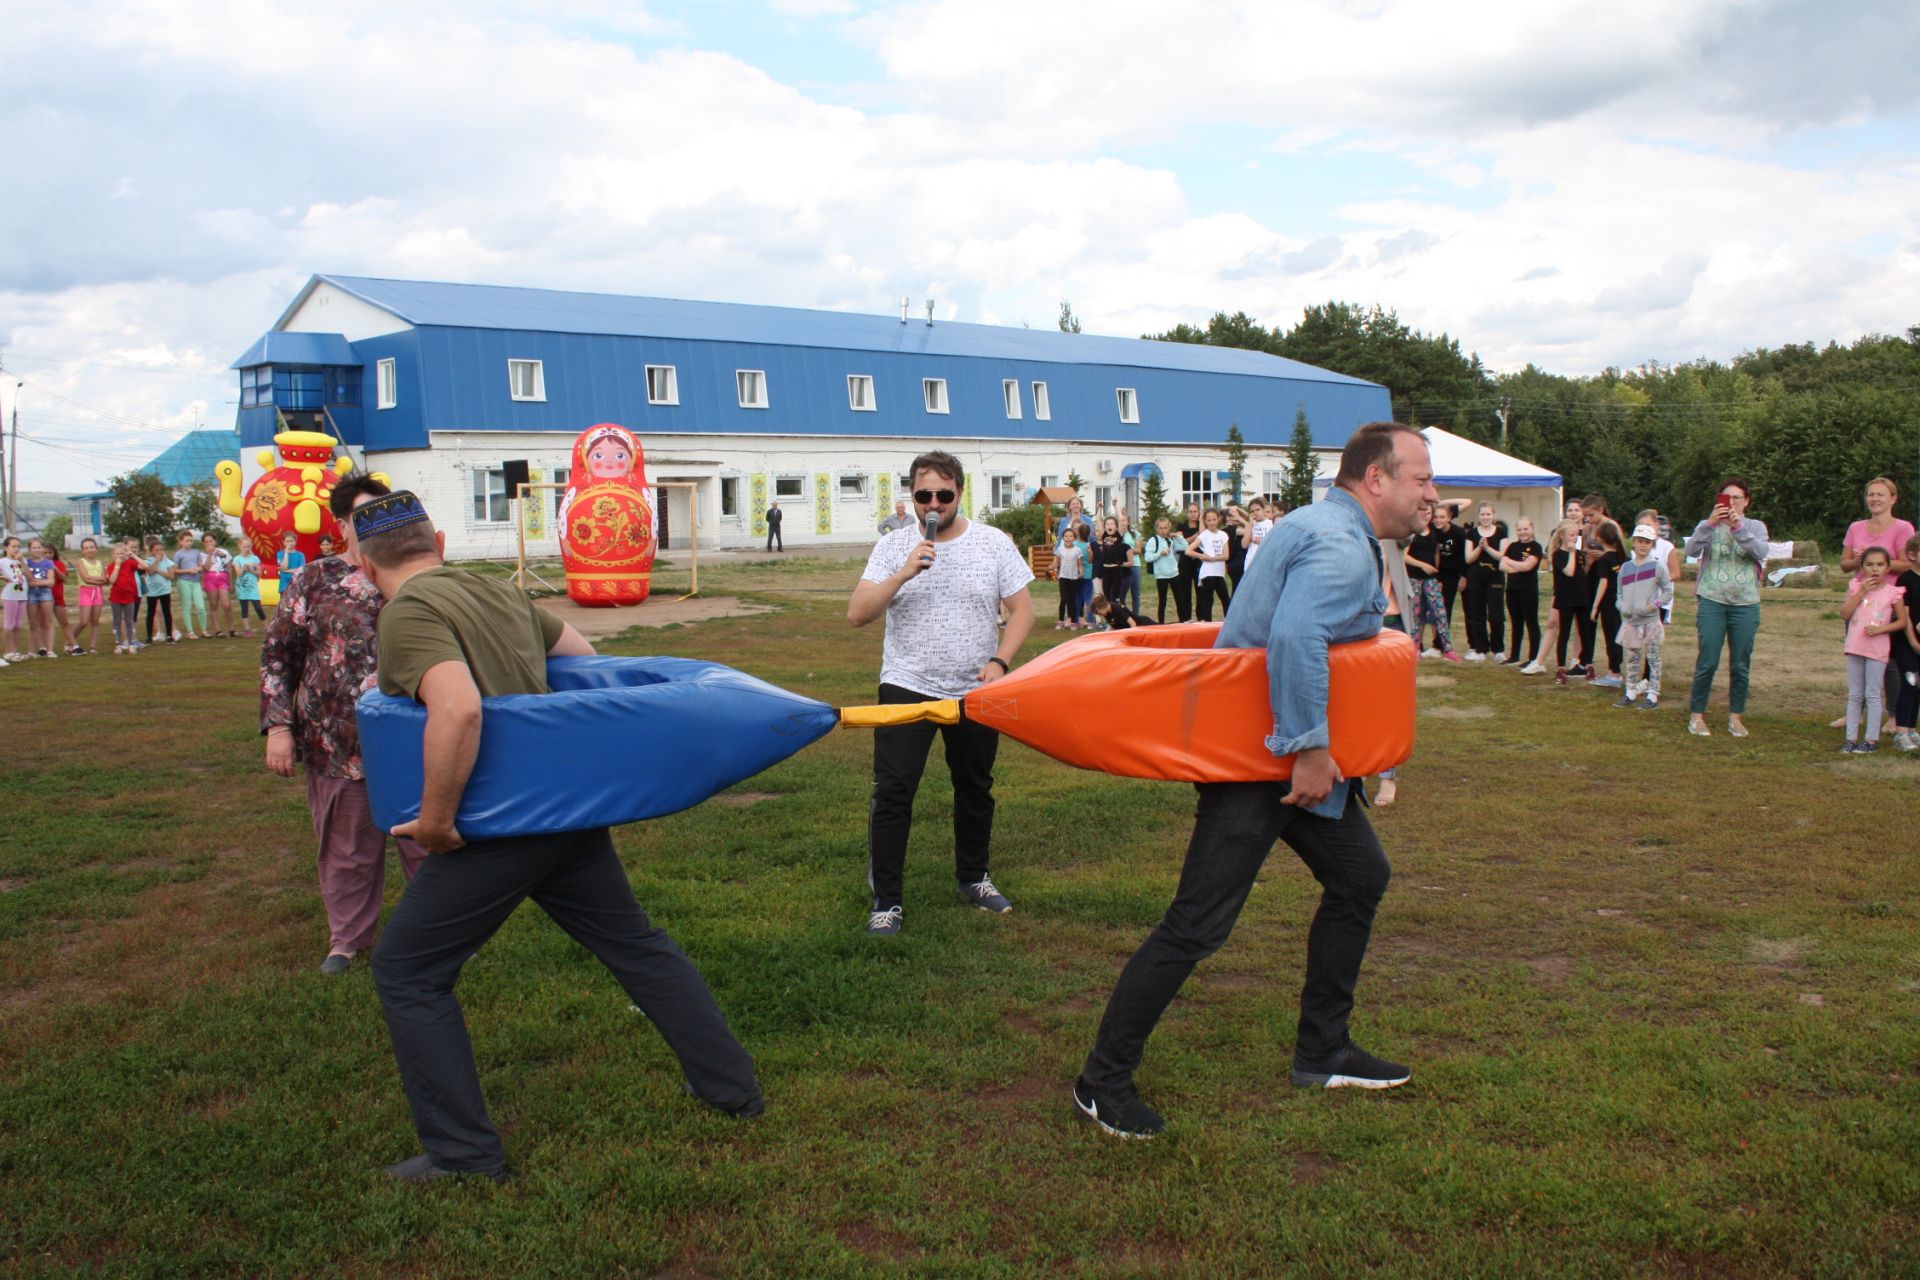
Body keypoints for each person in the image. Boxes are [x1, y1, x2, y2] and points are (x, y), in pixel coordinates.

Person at [355, 489, 764, 1184]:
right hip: (564, 814)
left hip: (502, 827)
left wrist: (435, 820)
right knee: (635, 945)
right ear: (440, 544)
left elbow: (457, 709)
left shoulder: (408, 612)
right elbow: (584, 660)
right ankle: (732, 1089)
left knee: (408, 972)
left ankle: (464, 1155)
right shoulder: (496, 592)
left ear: (364, 566)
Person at [1073, 422, 1430, 1140]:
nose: (1432, 492)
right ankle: (1100, 1083)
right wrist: (1310, 747)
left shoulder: (1322, 526)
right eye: (1422, 477)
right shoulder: (1337, 543)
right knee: (1197, 925)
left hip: (1283, 759)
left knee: (1361, 877)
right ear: (1376, 480)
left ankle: (1323, 1050)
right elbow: (1297, 639)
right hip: (1262, 765)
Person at [848, 450, 1035, 936]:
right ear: (911, 496)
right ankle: (886, 901)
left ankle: (974, 878)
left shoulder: (993, 544)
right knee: (893, 792)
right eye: (923, 495)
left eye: (943, 495)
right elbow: (858, 614)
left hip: (975, 689)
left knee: (975, 788)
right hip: (906, 685)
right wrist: (904, 572)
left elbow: (1023, 611)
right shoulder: (893, 548)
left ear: (959, 493)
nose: (934, 504)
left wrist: (1000, 663)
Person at [262, 473, 428, 974]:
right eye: (364, 516)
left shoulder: (419, 577)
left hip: (414, 740)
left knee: (426, 843)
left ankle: (434, 934)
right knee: (347, 850)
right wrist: (278, 728)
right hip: (335, 743)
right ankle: (347, 942)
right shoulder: (315, 580)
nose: (377, 525)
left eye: (386, 514)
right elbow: (278, 654)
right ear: (342, 525)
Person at [1686, 478, 1769, 738]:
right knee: (1707, 661)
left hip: (1745, 603)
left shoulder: (1755, 526)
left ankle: (1736, 717)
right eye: (1726, 498)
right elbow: (1690, 549)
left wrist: (1738, 528)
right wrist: (1710, 524)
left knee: (1740, 664)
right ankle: (1696, 716)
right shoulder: (1708, 524)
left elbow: (1761, 551)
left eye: (1737, 499)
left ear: (1747, 502)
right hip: (1712, 599)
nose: (1731, 503)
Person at [1839, 547, 1907, 754]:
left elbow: (1902, 621)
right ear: (1862, 567)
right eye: (1869, 564)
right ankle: (1850, 738)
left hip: (1877, 648)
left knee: (1873, 693)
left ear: (1887, 567)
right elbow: (1845, 613)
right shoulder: (1855, 587)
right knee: (1855, 694)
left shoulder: (1893, 592)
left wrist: (1881, 629)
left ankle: (1871, 740)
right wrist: (1861, 592)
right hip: (1855, 646)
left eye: (1879, 564)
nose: (1874, 569)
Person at [1611, 524, 1674, 709]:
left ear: (1652, 544)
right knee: (1632, 657)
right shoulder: (1625, 568)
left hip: (1651, 621)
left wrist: (1651, 606)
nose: (1643, 545)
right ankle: (1630, 692)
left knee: (1653, 657)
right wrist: (1621, 605)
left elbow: (1667, 592)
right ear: (1634, 543)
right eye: (1640, 541)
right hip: (1631, 622)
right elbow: (1620, 592)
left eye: (1647, 542)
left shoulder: (1657, 567)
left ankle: (1653, 695)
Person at [1402, 504, 1460, 661]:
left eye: (1430, 513)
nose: (1427, 516)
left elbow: (1436, 553)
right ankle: (1415, 648)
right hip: (1414, 577)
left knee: (1440, 612)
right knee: (1416, 614)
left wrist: (1436, 571)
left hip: (1431, 579)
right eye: (1424, 512)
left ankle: (1447, 648)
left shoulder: (1435, 532)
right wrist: (1422, 565)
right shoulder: (1412, 532)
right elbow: (1404, 556)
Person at [1840, 477, 1916, 583]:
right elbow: (1844, 565)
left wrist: (1873, 559)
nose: (1875, 499)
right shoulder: (1855, 527)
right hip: (1860, 593)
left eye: (1880, 495)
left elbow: (1908, 565)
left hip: (1891, 593)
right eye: (1871, 495)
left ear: (1893, 499)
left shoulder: (1903, 528)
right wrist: (1859, 561)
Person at [1461, 502, 1508, 660]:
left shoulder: (1501, 533)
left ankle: (1498, 649)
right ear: (1478, 516)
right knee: (1476, 613)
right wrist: (1479, 547)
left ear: (1493, 515)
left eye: (1488, 514)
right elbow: (1468, 558)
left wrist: (1487, 548)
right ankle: (1481, 648)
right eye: (1483, 514)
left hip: (1495, 577)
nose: (1486, 517)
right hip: (1476, 577)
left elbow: (1503, 556)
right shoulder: (1471, 534)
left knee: (1496, 614)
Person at [1547, 518, 1592, 679]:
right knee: (1564, 632)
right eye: (1571, 535)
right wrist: (1572, 553)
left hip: (1581, 598)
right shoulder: (1558, 554)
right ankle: (1561, 668)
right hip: (1566, 599)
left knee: (1584, 632)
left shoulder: (1580, 554)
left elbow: (1583, 572)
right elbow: (1570, 572)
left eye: (1576, 535)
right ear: (1562, 536)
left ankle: (1587, 664)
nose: (1574, 538)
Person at [1585, 521, 1627, 689]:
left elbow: (1603, 583)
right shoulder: (1621, 557)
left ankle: (1614, 674)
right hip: (1619, 601)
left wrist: (1595, 607)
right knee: (1616, 634)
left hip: (1608, 603)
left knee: (1611, 637)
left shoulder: (1604, 561)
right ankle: (1616, 668)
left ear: (1600, 540)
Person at [1889, 534, 1920, 752]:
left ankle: (1911, 729)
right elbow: (1905, 617)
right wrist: (1914, 642)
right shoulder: (1905, 580)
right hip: (1905, 643)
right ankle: (1900, 733)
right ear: (1912, 554)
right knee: (1909, 683)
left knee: (1918, 686)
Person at [1501, 518, 1545, 669]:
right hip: (1512, 589)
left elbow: (1528, 566)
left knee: (1531, 622)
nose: (1523, 532)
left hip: (1528, 590)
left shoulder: (1536, 547)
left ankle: (1534, 658)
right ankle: (1514, 655)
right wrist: (1517, 566)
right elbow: (1501, 565)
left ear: (1532, 528)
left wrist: (1511, 563)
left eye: (1525, 529)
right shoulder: (1512, 546)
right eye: (1519, 529)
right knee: (1516, 622)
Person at [1053, 497, 1094, 625]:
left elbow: (1092, 536)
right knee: (1067, 591)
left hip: (1080, 557)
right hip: (1065, 558)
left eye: (1077, 503)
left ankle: (1080, 616)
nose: (1075, 506)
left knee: (1079, 589)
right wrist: (1056, 556)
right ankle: (1069, 616)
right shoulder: (1064, 521)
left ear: (1081, 506)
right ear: (1069, 507)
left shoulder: (1087, 519)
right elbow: (1060, 538)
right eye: (1073, 504)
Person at [1142, 516, 1189, 623]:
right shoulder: (1153, 541)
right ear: (1157, 529)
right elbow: (1147, 558)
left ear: (1169, 528)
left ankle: (1183, 622)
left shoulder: (1170, 540)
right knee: (1163, 601)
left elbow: (1186, 547)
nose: (1163, 530)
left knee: (1179, 600)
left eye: (1165, 528)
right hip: (1161, 575)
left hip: (1174, 574)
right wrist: (1160, 553)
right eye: (1161, 528)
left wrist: (1178, 537)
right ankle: (1161, 624)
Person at [1429, 502, 1467, 634]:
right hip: (1437, 574)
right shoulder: (1432, 531)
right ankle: (1436, 642)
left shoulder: (1459, 533)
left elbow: (1465, 557)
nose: (1438, 520)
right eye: (1436, 517)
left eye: (1442, 517)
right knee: (1434, 608)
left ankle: (1443, 642)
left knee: (1446, 607)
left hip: (1453, 574)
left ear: (1449, 518)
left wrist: (1463, 577)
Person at [1189, 509, 1231, 622]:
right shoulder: (1204, 535)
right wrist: (1202, 556)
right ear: (1205, 521)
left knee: (1226, 599)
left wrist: (1213, 558)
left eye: (1214, 519)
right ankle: (1207, 624)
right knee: (1208, 600)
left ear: (1218, 519)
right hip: (1207, 573)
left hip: (1219, 572)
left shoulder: (1223, 535)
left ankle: (1229, 622)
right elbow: (1188, 550)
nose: (1212, 522)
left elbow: (1226, 555)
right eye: (1209, 520)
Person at [107, 540, 144, 653]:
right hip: (116, 597)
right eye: (117, 554)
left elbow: (145, 566)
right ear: (113, 555)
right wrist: (117, 566)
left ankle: (131, 644)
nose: (120, 556)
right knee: (117, 621)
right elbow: (112, 580)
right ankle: (118, 644)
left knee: (129, 621)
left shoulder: (130, 564)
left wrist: (133, 556)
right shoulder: (111, 566)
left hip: (129, 597)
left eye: (122, 553)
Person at [139, 536, 176, 644]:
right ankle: (149, 637)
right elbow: (150, 572)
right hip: (152, 592)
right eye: (157, 550)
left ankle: (169, 636)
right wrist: (156, 561)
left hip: (165, 590)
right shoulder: (149, 561)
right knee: (150, 613)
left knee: (166, 612)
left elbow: (171, 576)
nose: (160, 552)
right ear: (151, 551)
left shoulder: (167, 561)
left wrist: (159, 570)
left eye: (161, 549)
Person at [75, 537, 109, 654]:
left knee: (95, 620)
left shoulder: (99, 563)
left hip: (98, 593)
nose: (89, 550)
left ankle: (93, 646)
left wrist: (96, 579)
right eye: (86, 548)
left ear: (96, 548)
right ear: (82, 551)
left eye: (91, 547)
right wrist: (98, 579)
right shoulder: (81, 562)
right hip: (86, 592)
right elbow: (86, 578)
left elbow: (104, 580)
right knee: (84, 621)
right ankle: (71, 642)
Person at [172, 530, 209, 639]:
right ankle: (190, 631)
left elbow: (201, 566)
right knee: (187, 606)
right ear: (181, 542)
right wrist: (188, 571)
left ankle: (204, 629)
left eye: (191, 540)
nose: (189, 543)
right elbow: (175, 570)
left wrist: (198, 569)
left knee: (201, 607)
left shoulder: (196, 552)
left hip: (196, 582)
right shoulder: (178, 554)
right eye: (187, 541)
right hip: (184, 582)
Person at [24, 539, 57, 658]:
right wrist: (43, 582)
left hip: (45, 593)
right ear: (30, 550)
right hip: (31, 594)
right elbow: (29, 581)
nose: (37, 550)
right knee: (33, 624)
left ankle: (50, 650)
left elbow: (51, 582)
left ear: (42, 549)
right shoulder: (27, 563)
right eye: (34, 548)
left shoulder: (48, 563)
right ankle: (31, 651)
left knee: (47, 622)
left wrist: (37, 582)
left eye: (39, 547)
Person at [1095, 516, 1132, 612]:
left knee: (1115, 598)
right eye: (1107, 524)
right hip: (1106, 570)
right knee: (1107, 598)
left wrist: (1116, 506)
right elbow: (1099, 520)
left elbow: (1120, 519)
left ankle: (1118, 618)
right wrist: (1099, 509)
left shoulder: (1119, 536)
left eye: (1112, 524)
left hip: (1116, 570)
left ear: (1116, 527)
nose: (1109, 526)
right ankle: (1110, 622)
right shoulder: (1104, 536)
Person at [202, 532, 236, 638]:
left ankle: (232, 629)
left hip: (222, 578)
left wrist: (231, 582)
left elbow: (229, 567)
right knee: (213, 605)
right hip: (210, 580)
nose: (209, 543)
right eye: (206, 542)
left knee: (227, 605)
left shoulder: (223, 552)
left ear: (215, 541)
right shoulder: (202, 555)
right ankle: (218, 630)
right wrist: (210, 554)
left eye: (210, 541)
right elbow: (206, 568)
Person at [1054, 525, 1088, 630]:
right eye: (1066, 536)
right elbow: (1057, 563)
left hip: (1074, 578)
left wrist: (1081, 573)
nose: (1068, 538)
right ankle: (1060, 621)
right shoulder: (1059, 550)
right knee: (1064, 599)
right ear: (1063, 538)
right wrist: (1054, 569)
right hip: (1063, 577)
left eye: (1070, 536)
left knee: (1072, 600)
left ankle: (1074, 622)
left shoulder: (1077, 550)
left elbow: (1080, 564)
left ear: (1074, 538)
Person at [1175, 502, 1203, 622]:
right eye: (1190, 512)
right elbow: (1181, 542)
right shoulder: (1181, 526)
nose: (1192, 514)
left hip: (1199, 561)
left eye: (1195, 511)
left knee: (1200, 592)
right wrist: (1196, 536)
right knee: (1185, 592)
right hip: (1185, 561)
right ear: (1187, 513)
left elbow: (1204, 536)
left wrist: (1201, 522)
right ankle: (1185, 619)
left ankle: (1201, 617)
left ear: (1199, 513)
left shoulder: (1202, 526)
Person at [1, 536, 26, 661]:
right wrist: (3, 577)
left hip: (22, 595)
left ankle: (15, 651)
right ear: (6, 547)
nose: (16, 549)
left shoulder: (20, 560)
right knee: (9, 624)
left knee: (18, 625)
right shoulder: (3, 561)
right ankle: (8, 651)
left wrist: (21, 560)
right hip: (10, 595)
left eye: (18, 546)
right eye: (13, 546)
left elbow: (27, 574)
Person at [231, 543, 264, 637]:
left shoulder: (255, 559)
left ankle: (267, 627)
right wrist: (243, 568)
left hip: (253, 587)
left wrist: (251, 570)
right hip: (242, 587)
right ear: (240, 547)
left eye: (248, 547)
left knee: (258, 607)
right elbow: (239, 574)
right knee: (244, 608)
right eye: (244, 547)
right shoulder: (237, 559)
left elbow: (259, 573)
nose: (246, 549)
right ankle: (247, 630)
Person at [1116, 510, 1142, 613]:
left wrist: (1126, 550)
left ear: (1128, 522)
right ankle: (1125, 616)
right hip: (1122, 566)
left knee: (1135, 593)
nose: (1122, 522)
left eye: (1124, 520)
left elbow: (1139, 550)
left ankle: (1136, 615)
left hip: (1135, 566)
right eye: (1120, 520)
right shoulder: (1116, 535)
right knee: (1121, 595)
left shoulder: (1135, 534)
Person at [1089, 593, 1156, 630]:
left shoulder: (1117, 609)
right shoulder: (1107, 613)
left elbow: (1132, 623)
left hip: (1144, 625)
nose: (1098, 614)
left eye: (1097, 612)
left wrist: (1133, 637)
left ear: (1102, 606)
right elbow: (1112, 627)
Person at [276, 531, 307, 602]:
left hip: (296, 584)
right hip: (284, 585)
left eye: (291, 541)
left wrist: (286, 571)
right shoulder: (280, 554)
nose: (289, 543)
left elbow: (301, 569)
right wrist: (286, 552)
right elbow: (284, 567)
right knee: (284, 606)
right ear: (284, 542)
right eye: (287, 541)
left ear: (295, 542)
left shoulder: (300, 555)